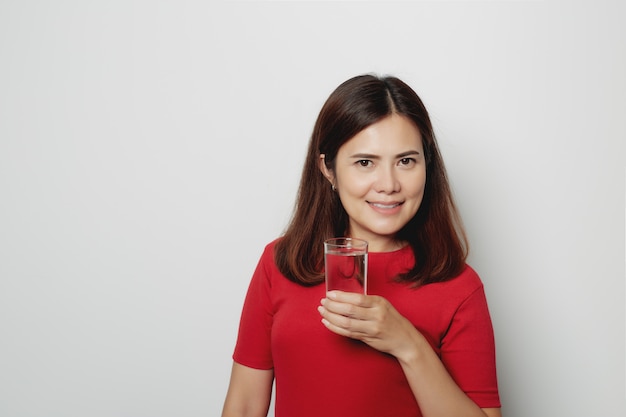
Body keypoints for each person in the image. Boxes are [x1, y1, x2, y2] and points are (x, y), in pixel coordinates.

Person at [221, 74, 501, 417]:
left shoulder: (459, 287)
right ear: (329, 169)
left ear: (428, 166)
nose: (388, 184)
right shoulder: (280, 263)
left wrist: (408, 344)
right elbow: (245, 406)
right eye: (365, 162)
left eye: (406, 161)